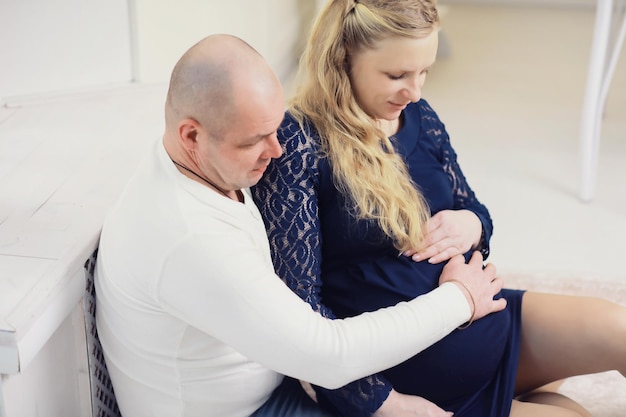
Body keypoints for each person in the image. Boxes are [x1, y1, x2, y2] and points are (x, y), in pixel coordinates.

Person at [94, 33, 506, 417]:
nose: (275, 151)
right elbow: (328, 356)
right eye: (253, 139)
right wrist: (459, 299)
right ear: (191, 136)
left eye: (275, 130)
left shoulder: (190, 165)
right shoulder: (189, 237)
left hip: (278, 385)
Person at [251, 1, 626, 417]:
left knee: (619, 328)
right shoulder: (297, 143)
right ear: (342, 59)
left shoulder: (420, 116)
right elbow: (299, 312)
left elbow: (473, 208)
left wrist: (471, 224)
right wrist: (382, 404)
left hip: (492, 320)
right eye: (396, 75)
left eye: (424, 71)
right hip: (419, 386)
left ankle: (534, 394)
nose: (415, 91)